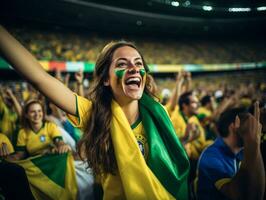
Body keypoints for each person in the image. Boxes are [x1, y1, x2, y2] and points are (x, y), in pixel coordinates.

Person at [0, 25, 190, 199]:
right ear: (106, 79)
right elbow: (40, 78)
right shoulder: (94, 113)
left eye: (138, 63)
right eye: (122, 64)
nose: (134, 69)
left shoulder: (158, 114)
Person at [197, 104, 265, 200]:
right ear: (234, 126)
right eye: (250, 123)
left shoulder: (241, 152)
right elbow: (240, 195)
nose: (254, 127)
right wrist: (251, 140)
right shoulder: (211, 156)